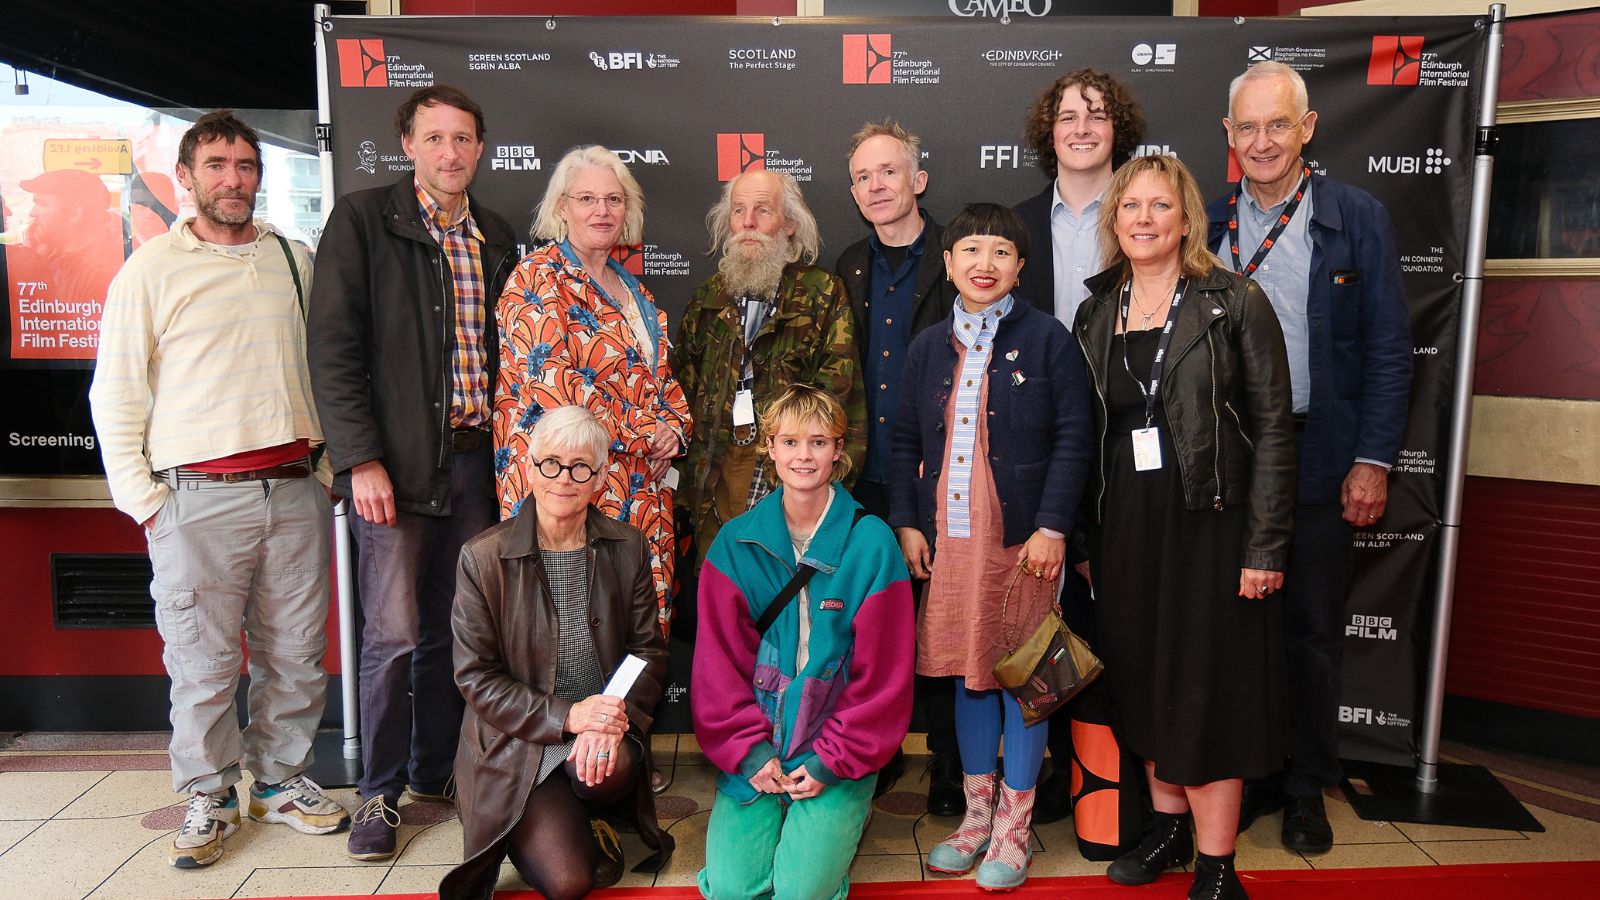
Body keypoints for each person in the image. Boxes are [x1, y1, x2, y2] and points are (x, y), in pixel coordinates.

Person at [88, 110, 348, 869]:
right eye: (217, 166)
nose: (233, 179)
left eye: (245, 165)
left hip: (294, 489)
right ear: (187, 179)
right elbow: (117, 395)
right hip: (196, 497)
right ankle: (208, 790)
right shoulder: (149, 271)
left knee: (296, 653)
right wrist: (145, 500)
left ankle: (278, 780)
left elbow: (325, 373)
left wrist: (325, 470)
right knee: (202, 662)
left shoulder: (293, 260)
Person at [307, 85, 520, 860]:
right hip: (393, 473)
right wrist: (359, 458)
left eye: (463, 139)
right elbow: (332, 352)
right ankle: (378, 796)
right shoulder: (364, 220)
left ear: (480, 147)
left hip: (475, 470)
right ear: (409, 146)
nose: (450, 153)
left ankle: (436, 774)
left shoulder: (496, 236)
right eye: (434, 138)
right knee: (391, 635)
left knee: (455, 634)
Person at [1076, 154, 1294, 900]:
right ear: (1114, 220)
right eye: (1129, 206)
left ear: (1186, 218)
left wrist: (1264, 544)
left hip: (1213, 522)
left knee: (1206, 686)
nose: (1143, 218)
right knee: (1141, 677)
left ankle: (1217, 863)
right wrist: (1083, 539)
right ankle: (1168, 829)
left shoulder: (1233, 301)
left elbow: (1273, 430)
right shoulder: (1096, 308)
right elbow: (1089, 433)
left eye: (1159, 206)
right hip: (1127, 526)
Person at [1208, 61, 1412, 853]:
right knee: (1234, 629)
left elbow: (1393, 350)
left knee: (1311, 632)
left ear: (1308, 128)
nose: (1262, 141)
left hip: (1323, 453)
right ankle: (1252, 774)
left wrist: (1374, 460)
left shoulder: (1355, 216)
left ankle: (1305, 787)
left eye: (1277, 125)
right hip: (1232, 459)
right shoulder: (1212, 220)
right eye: (1247, 128)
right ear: (1229, 137)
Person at [890, 203, 1094, 891]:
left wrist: (1053, 527)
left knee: (1026, 682)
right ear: (947, 264)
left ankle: (1016, 828)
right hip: (949, 541)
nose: (985, 264)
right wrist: (908, 523)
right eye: (970, 250)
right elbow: (905, 442)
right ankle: (976, 820)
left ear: (1020, 267)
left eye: (1000, 252)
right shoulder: (925, 348)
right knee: (965, 676)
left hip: (1023, 544)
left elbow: (1074, 436)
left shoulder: (1048, 341)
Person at [439, 405, 672, 900]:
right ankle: (560, 816)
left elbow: (646, 651)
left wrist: (609, 717)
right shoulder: (483, 557)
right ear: (528, 466)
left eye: (581, 467)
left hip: (600, 729)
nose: (564, 478)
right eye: (551, 463)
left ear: (601, 478)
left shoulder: (627, 546)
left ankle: (589, 804)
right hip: (515, 742)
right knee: (570, 884)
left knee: (609, 772)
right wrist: (571, 716)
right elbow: (475, 677)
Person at [693, 384, 913, 900]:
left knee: (799, 893)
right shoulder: (734, 543)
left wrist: (830, 761)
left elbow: (884, 679)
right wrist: (749, 755)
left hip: (833, 748)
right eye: (789, 442)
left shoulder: (873, 543)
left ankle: (843, 813)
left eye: (818, 442)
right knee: (730, 890)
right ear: (769, 448)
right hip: (758, 745)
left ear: (839, 450)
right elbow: (716, 670)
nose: (803, 455)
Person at [1012, 66, 1147, 830]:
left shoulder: (1142, 211)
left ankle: (1123, 769)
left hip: (1129, 437)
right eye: (1068, 115)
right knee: (1041, 610)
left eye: (1097, 114)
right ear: (1049, 131)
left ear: (1115, 128)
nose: (1082, 127)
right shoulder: (1022, 222)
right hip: (1038, 444)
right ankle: (1059, 767)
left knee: (1112, 608)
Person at [494, 145, 692, 633]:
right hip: (568, 488)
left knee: (637, 633)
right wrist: (650, 434)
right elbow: (556, 385)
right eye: (586, 198)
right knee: (570, 636)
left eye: (613, 199)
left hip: (641, 493)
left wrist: (675, 430)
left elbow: (663, 377)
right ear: (562, 208)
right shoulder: (536, 277)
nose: (601, 210)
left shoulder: (634, 291)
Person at [832, 119, 962, 816]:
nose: (876, 186)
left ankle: (948, 766)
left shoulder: (957, 259)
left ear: (918, 180)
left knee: (940, 625)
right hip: (859, 485)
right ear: (852, 193)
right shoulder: (844, 268)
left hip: (938, 482)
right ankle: (872, 756)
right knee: (868, 631)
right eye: (862, 177)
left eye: (889, 172)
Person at [672, 170, 864, 562]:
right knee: (723, 590)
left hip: (790, 474)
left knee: (782, 593)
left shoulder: (822, 295)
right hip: (717, 474)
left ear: (790, 224)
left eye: (763, 210)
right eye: (739, 210)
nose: (748, 223)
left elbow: (835, 400)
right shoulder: (707, 300)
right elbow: (680, 393)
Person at [19, 167, 125, 303]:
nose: (32, 213)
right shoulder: (51, 254)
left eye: (42, 204)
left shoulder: (101, 271)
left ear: (75, 213)